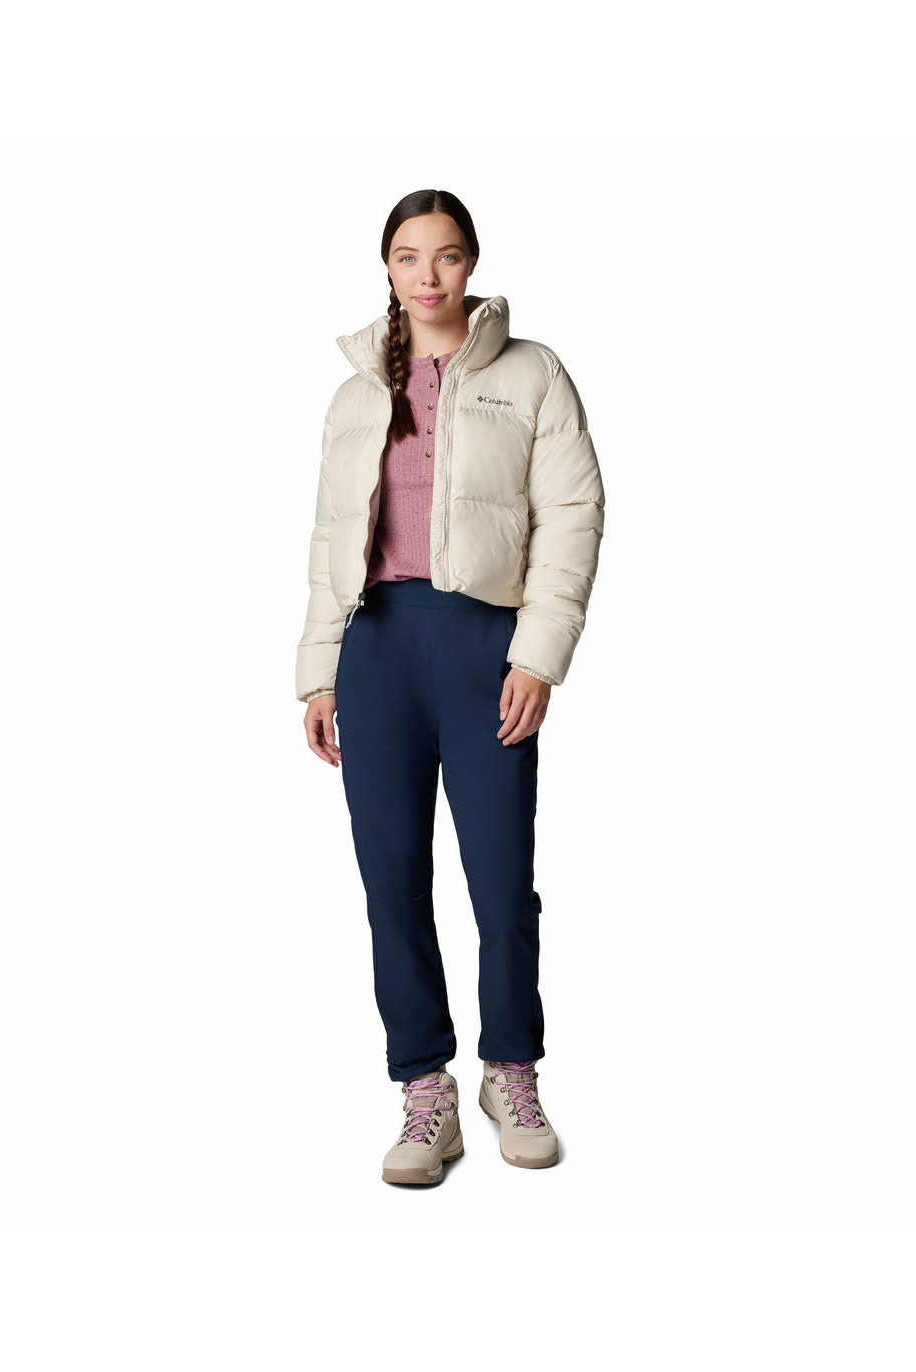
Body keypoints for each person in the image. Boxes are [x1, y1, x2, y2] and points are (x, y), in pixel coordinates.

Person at [295, 188, 604, 1185]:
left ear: (472, 262)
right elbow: (330, 539)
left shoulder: (532, 372)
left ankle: (510, 1072)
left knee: (501, 881)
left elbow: (573, 511)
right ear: (386, 268)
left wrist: (538, 655)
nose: (427, 275)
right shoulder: (356, 394)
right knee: (392, 881)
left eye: (446, 255)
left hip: (483, 645)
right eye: (407, 256)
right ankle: (424, 1092)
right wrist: (318, 673)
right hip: (377, 650)